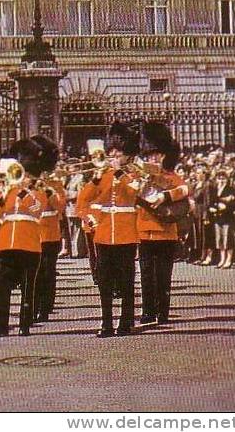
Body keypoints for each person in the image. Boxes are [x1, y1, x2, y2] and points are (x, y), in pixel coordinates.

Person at [87, 122, 142, 336]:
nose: (113, 158)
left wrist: (120, 174)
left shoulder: (134, 173)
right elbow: (86, 199)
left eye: (118, 154)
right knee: (105, 281)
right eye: (111, 154)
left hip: (126, 234)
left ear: (127, 155)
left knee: (127, 281)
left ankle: (126, 321)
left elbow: (136, 192)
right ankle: (106, 322)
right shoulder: (102, 175)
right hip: (103, 234)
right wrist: (96, 179)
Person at [0, 139, 44, 338]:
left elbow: (38, 211)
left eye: (25, 174)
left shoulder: (38, 193)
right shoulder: (4, 193)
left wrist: (24, 193)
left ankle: (24, 324)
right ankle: (1, 325)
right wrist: (3, 194)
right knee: (1, 288)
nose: (22, 178)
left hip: (29, 245)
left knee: (28, 288)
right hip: (5, 244)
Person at [136, 121, 188, 326]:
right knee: (146, 275)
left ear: (164, 155)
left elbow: (184, 190)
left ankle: (163, 311)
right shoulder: (141, 177)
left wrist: (165, 196)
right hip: (144, 230)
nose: (153, 158)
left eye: (156, 154)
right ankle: (148, 310)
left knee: (163, 275)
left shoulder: (172, 177)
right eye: (150, 155)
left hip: (166, 232)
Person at [31, 135, 65, 324]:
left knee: (48, 272)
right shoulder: (28, 184)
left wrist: (49, 190)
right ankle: (33, 306)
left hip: (50, 233)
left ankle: (45, 307)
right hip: (33, 233)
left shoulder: (55, 183)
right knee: (34, 273)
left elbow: (60, 207)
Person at [208, 170, 235, 269]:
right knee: (220, 239)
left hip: (228, 217)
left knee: (228, 239)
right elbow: (211, 202)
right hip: (217, 217)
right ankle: (222, 259)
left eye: (223, 178)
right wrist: (211, 208)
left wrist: (226, 207)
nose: (221, 180)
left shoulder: (231, 189)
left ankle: (228, 260)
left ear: (227, 179)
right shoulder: (215, 189)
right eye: (219, 178)